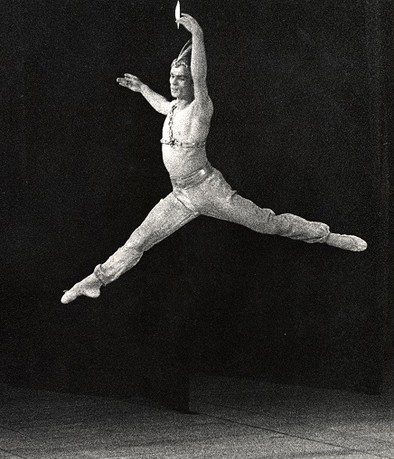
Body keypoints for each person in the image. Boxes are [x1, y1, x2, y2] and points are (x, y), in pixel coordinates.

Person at [61, 13, 367, 305]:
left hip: (209, 189)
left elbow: (200, 75)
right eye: (171, 76)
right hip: (180, 195)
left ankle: (328, 236)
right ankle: (93, 281)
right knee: (139, 239)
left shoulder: (200, 108)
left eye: (180, 78)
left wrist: (198, 35)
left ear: (192, 83)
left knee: (266, 223)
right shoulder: (174, 110)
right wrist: (142, 88)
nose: (174, 82)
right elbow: (160, 103)